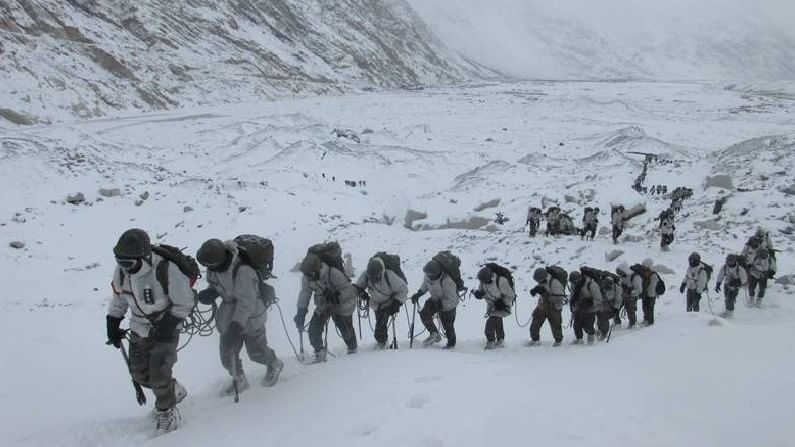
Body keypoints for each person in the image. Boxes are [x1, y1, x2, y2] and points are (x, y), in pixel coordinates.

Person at [106, 229, 193, 434]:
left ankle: (166, 411)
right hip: (139, 327)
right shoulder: (122, 272)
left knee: (159, 374)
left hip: (166, 327)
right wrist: (113, 321)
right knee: (139, 374)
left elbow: (185, 301)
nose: (125, 267)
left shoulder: (165, 269)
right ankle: (174, 392)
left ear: (143, 256)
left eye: (129, 263)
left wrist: (169, 325)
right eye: (120, 261)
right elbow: (119, 298)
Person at [196, 239, 283, 393]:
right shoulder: (214, 268)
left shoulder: (243, 271)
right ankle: (239, 379)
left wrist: (236, 326)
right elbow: (218, 284)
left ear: (220, 260)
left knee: (256, 353)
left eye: (209, 265)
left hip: (251, 317)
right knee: (227, 353)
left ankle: (274, 363)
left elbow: (246, 303)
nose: (207, 268)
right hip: (228, 314)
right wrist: (212, 292)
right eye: (206, 265)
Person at [294, 251, 358, 362]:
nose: (308, 277)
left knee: (345, 329)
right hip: (323, 304)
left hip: (341, 305)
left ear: (317, 269)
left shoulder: (333, 273)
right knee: (314, 329)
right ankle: (319, 353)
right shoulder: (307, 277)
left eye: (310, 274)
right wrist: (301, 311)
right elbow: (305, 293)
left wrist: (337, 295)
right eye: (306, 274)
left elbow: (349, 291)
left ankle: (352, 348)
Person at [353, 255, 408, 350]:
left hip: (389, 302)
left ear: (380, 272)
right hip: (376, 303)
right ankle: (383, 342)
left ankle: (382, 343)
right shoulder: (366, 274)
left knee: (381, 324)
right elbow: (358, 287)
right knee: (380, 322)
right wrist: (361, 293)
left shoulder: (389, 275)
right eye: (371, 277)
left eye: (375, 277)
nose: (373, 279)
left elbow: (403, 289)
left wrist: (396, 303)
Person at [410, 259, 460, 348]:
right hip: (435, 299)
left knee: (448, 324)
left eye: (430, 273)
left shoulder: (447, 281)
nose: (428, 275)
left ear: (436, 273)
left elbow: (452, 299)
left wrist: (442, 305)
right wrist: (419, 293)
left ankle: (451, 344)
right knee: (424, 313)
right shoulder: (428, 276)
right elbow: (425, 285)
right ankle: (434, 334)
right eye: (427, 273)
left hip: (450, 304)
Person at [473, 265, 515, 349]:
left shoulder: (501, 281)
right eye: (482, 281)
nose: (483, 282)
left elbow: (511, 295)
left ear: (491, 277)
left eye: (485, 281)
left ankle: (490, 341)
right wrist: (478, 294)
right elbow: (481, 291)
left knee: (491, 323)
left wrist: (502, 303)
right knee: (497, 321)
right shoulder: (483, 281)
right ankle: (501, 340)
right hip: (491, 306)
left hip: (502, 306)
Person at [528, 267, 566, 346]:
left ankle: (558, 341)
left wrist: (546, 295)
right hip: (543, 306)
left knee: (556, 326)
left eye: (538, 280)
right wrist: (535, 290)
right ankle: (535, 340)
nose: (537, 281)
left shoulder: (555, 283)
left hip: (554, 308)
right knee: (535, 323)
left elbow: (560, 298)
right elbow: (542, 288)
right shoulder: (542, 281)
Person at [568, 271, 601, 344]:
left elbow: (598, 299)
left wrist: (591, 303)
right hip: (579, 307)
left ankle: (591, 336)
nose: (573, 283)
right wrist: (572, 303)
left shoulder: (591, 284)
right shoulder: (573, 285)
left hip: (590, 309)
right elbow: (572, 295)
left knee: (588, 325)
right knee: (576, 325)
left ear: (579, 279)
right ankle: (579, 339)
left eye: (575, 281)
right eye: (572, 282)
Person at [616, 262, 641, 327]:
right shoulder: (622, 277)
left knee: (630, 310)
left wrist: (630, 292)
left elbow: (639, 290)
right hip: (624, 296)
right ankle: (617, 323)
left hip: (632, 297)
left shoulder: (635, 277)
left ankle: (632, 324)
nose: (619, 274)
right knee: (616, 307)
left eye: (620, 272)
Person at [638, 259, 661, 326]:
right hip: (646, 294)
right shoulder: (645, 274)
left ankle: (650, 321)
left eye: (644, 266)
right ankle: (646, 319)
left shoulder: (654, 275)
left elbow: (653, 287)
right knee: (644, 307)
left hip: (651, 295)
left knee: (650, 308)